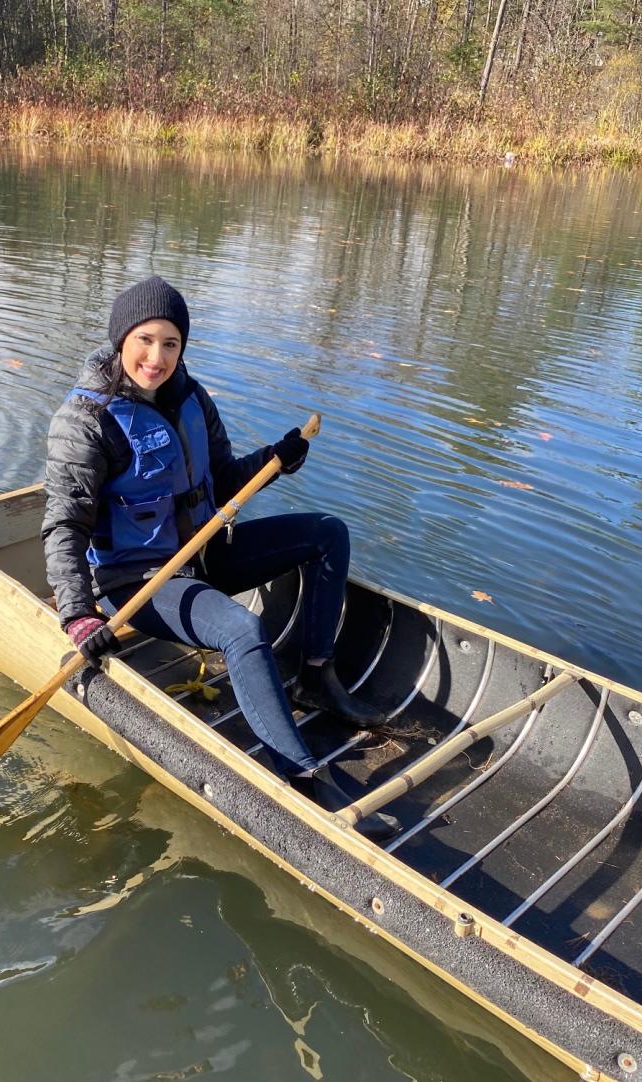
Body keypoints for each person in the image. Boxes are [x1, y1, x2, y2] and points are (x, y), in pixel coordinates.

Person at [41, 276, 399, 840]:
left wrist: (275, 459)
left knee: (329, 532)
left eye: (171, 344)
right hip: (139, 579)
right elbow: (63, 526)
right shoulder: (86, 420)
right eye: (144, 340)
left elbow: (225, 479)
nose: (156, 358)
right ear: (120, 340)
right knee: (241, 628)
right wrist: (79, 615)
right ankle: (300, 778)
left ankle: (314, 676)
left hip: (205, 555)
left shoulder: (191, 396)